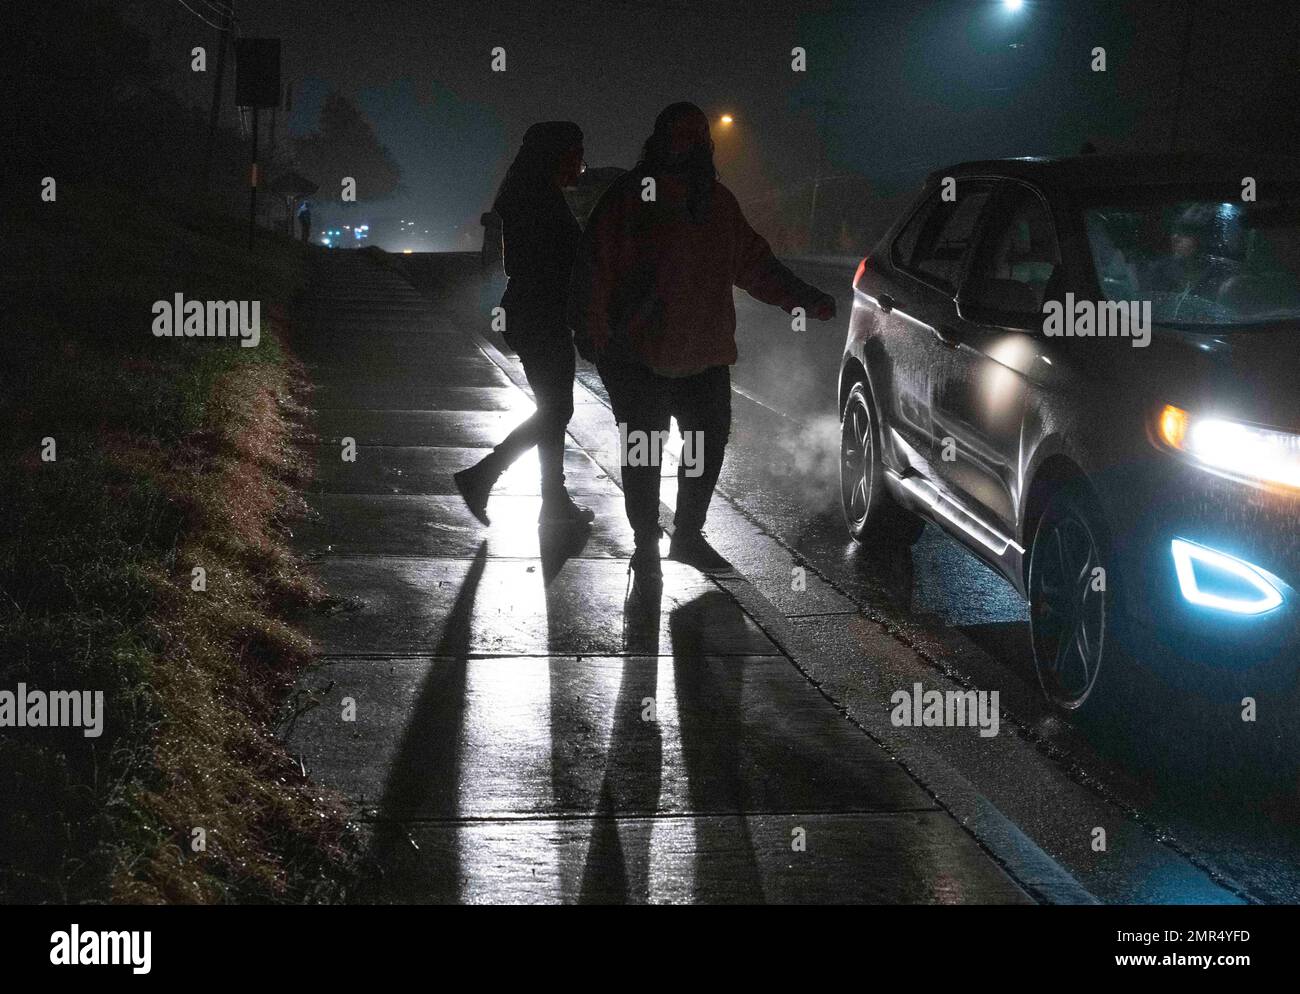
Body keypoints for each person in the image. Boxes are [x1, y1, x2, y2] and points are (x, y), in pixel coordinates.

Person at [568, 102, 836, 583]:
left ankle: (687, 536)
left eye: (694, 136)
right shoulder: (631, 197)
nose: (685, 143)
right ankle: (647, 542)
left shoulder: (717, 203)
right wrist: (592, 331)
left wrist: (804, 298)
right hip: (638, 355)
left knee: (703, 451)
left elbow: (754, 265)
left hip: (705, 356)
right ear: (660, 138)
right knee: (645, 453)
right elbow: (595, 268)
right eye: (678, 134)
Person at [453, 121, 594, 527]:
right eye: (575, 156)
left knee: (552, 408)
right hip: (540, 314)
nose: (579, 165)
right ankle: (483, 475)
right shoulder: (539, 199)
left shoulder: (529, 192)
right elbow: (560, 261)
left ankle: (554, 499)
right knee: (556, 410)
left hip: (533, 312)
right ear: (555, 154)